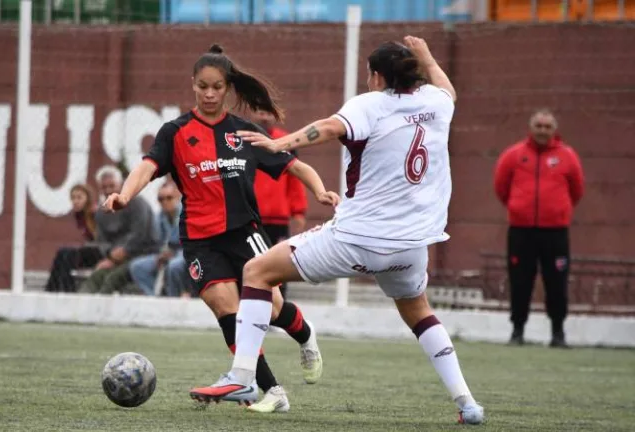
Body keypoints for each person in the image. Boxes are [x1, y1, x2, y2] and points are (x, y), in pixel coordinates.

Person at [189, 36, 485, 425]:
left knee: (257, 272)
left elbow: (328, 128)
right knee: (419, 313)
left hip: (357, 239)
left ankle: (243, 377)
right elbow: (447, 88)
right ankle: (467, 403)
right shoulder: (436, 102)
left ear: (377, 76)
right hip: (413, 246)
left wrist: (281, 146)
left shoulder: (370, 105)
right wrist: (428, 56)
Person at [104, 44, 339, 413]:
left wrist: (321, 190)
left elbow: (296, 167)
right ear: (193, 85)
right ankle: (270, 390)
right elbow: (147, 168)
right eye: (202, 87)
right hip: (200, 239)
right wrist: (124, 193)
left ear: (228, 88)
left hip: (245, 232)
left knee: (273, 308)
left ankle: (306, 336)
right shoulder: (176, 132)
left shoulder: (245, 133)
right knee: (225, 307)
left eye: (217, 87)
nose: (210, 94)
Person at [494, 109, 584, 348]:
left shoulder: (567, 157)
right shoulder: (513, 155)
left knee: (557, 282)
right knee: (520, 281)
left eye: (547, 126)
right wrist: (517, 208)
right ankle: (517, 330)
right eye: (539, 126)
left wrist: (557, 212)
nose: (542, 131)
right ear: (531, 128)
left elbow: (577, 190)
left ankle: (558, 333)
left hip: (555, 232)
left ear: (554, 129)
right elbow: (501, 187)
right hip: (521, 231)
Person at [249, 109, 308, 299]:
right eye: (260, 112)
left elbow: (295, 178)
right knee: (249, 265)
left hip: (277, 219)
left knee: (280, 267)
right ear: (250, 113)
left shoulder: (286, 142)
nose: (264, 116)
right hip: (250, 217)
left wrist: (298, 211)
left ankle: (280, 310)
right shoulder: (241, 141)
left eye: (268, 113)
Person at [80, 165, 158, 295]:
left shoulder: (138, 203)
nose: (108, 190)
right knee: (96, 276)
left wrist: (125, 250)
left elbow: (141, 234)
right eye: (104, 187)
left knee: (112, 278)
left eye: (112, 186)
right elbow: (102, 240)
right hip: (115, 259)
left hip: (142, 255)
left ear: (121, 185)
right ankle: (81, 305)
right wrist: (111, 255)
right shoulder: (102, 212)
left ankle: (101, 309)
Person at [129, 182, 190, 297]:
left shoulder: (187, 211)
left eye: (169, 198)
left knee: (174, 265)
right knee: (137, 267)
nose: (165, 202)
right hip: (165, 253)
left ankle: (174, 298)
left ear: (178, 196)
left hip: (186, 251)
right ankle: (155, 297)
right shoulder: (159, 217)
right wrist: (161, 255)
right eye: (161, 199)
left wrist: (171, 251)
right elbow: (158, 242)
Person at [44, 184, 103, 293]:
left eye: (79, 197)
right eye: (73, 198)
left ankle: (67, 290)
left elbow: (100, 238)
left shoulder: (95, 213)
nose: (75, 201)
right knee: (62, 252)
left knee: (69, 254)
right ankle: (51, 290)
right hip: (92, 249)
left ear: (87, 198)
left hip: (103, 252)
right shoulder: (80, 215)